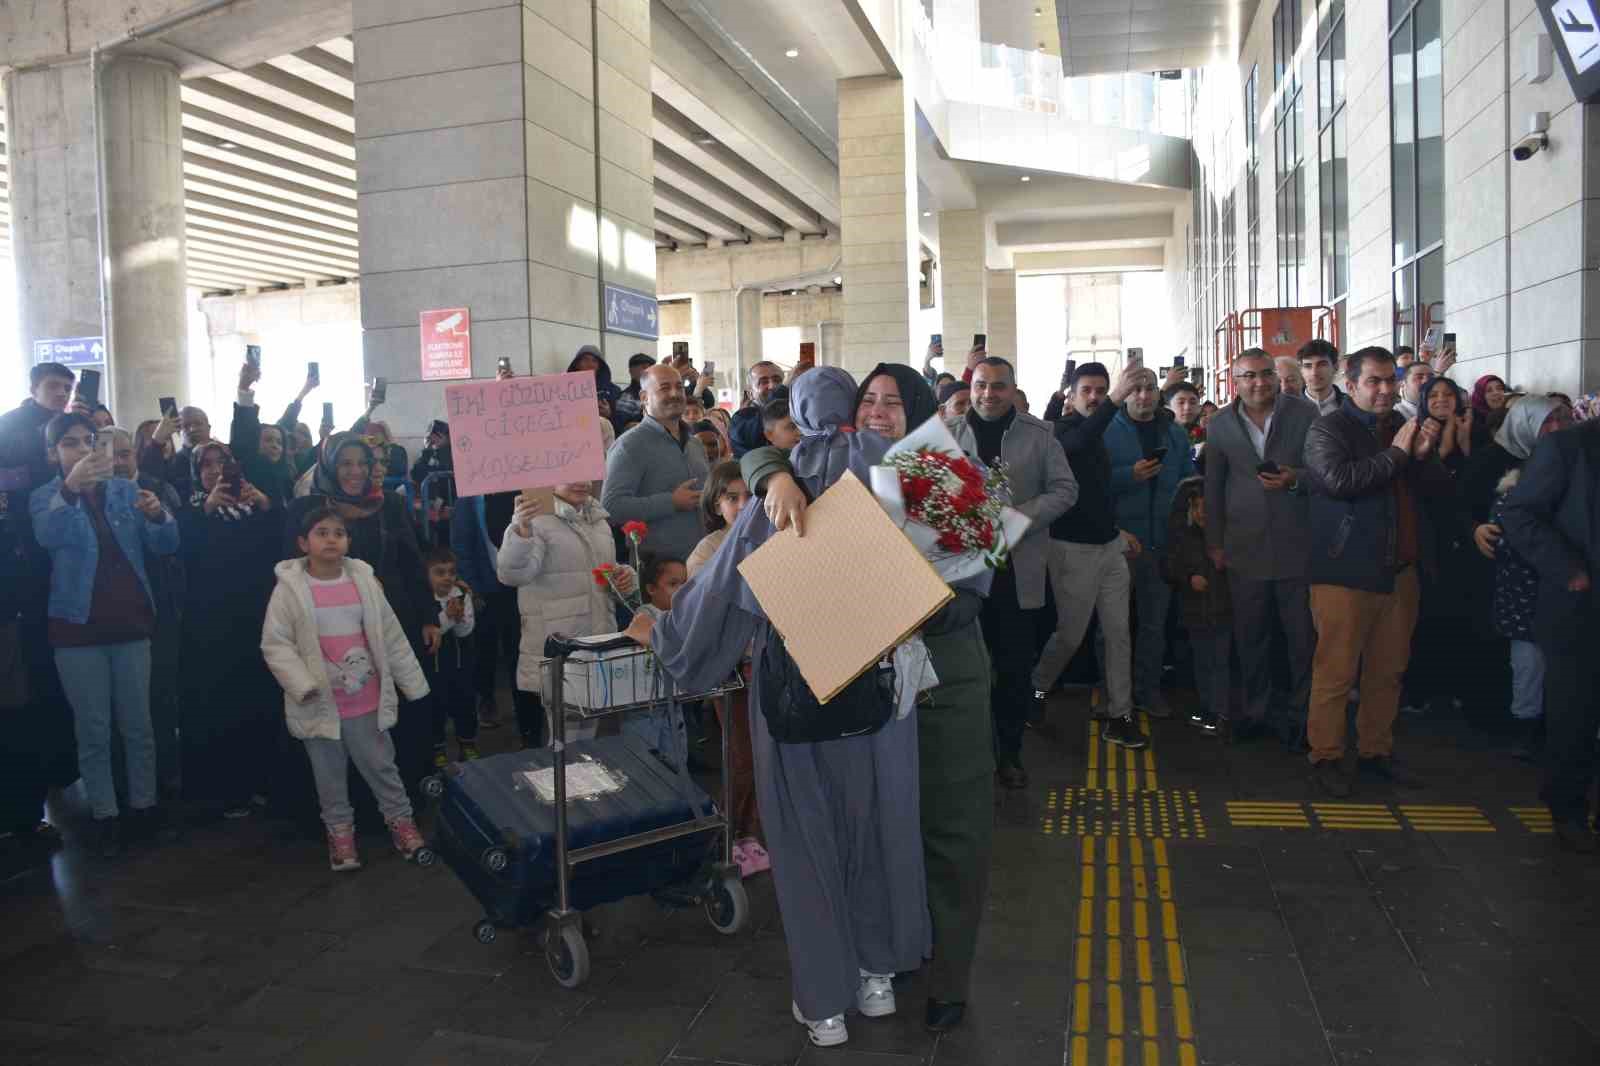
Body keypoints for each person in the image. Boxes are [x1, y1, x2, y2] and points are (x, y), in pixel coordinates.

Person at [660, 365, 931, 1044]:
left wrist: (662, 636)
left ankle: (825, 1003)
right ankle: (876, 978)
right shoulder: (907, 478)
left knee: (808, 846)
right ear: (857, 410)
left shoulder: (775, 495)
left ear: (796, 417)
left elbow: (715, 601)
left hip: (796, 703)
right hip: (882, 698)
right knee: (879, 831)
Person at [1300, 347, 1453, 797]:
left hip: (1400, 571)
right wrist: (1400, 454)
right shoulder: (1328, 428)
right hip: (1345, 572)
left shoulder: (1400, 430)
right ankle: (1325, 755)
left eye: (1391, 380)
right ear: (1351, 386)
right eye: (1374, 381)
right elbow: (1339, 482)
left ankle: (1375, 752)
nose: (1385, 389)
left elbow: (1439, 493)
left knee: (1387, 671)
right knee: (1336, 671)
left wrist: (1422, 456)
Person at [32, 413, 180, 857]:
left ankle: (144, 807)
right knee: (94, 728)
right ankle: (105, 814)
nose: (82, 450)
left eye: (88, 441)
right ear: (53, 453)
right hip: (76, 630)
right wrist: (70, 488)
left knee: (139, 725)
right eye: (71, 443)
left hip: (132, 623)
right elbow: (47, 536)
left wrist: (159, 517)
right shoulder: (45, 497)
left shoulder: (124, 488)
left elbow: (167, 544)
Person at [261, 506, 432, 870]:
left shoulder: (364, 583)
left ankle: (401, 822)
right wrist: (302, 686)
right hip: (319, 704)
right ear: (303, 542)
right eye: (321, 532)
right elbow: (276, 644)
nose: (331, 539)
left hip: (365, 701)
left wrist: (412, 683)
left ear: (348, 541)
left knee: (381, 766)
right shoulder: (290, 591)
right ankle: (340, 835)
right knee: (329, 776)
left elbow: (390, 635)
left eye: (338, 533)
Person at [284, 434, 438, 796]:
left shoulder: (391, 505)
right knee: (348, 713)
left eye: (363, 464)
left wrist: (429, 617)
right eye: (346, 463)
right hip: (333, 630)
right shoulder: (307, 510)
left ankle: (404, 797)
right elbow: (292, 571)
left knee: (394, 711)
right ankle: (352, 808)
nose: (355, 472)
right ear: (330, 466)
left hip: (392, 621)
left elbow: (413, 563)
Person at [955, 357, 1077, 788]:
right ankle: (968, 756)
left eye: (999, 386)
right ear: (971, 387)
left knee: (1012, 670)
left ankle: (1009, 753)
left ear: (1013, 389)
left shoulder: (1040, 435)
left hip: (1015, 571)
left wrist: (1018, 518)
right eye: (982, 385)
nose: (989, 394)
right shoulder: (947, 433)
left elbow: (1066, 490)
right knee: (965, 672)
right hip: (962, 574)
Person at [1032, 362, 1151, 750]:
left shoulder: (1099, 433)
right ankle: (1035, 690)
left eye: (1102, 390)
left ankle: (1120, 714)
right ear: (1071, 395)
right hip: (1071, 550)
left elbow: (1099, 491)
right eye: (1087, 390)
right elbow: (1078, 445)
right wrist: (1116, 399)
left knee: (1119, 634)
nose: (1096, 397)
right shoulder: (1058, 432)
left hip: (1109, 548)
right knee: (1070, 636)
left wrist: (1116, 532)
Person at [1202, 349, 1317, 744]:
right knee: (1251, 639)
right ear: (1236, 381)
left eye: (1266, 374)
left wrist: (1294, 478)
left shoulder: (1304, 415)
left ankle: (1303, 719)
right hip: (1243, 548)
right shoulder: (1219, 424)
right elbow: (1212, 489)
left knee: (1302, 641)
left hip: (1297, 546)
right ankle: (1256, 712)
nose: (1259, 383)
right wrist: (1215, 543)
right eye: (1249, 376)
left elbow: (1322, 472)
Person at [1500, 402, 1600, 850]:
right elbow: (1520, 515)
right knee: (1575, 715)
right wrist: (1569, 570)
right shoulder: (1569, 447)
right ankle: (1568, 810)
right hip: (1580, 605)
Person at [174, 440, 281, 819]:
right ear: (196, 472)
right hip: (212, 626)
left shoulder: (256, 506)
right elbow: (183, 554)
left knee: (259, 697)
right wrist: (206, 512)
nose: (216, 470)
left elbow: (280, 550)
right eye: (206, 464)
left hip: (257, 618)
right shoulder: (189, 510)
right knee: (221, 702)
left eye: (223, 462)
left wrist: (267, 508)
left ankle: (263, 780)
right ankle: (227, 789)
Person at [0, 362, 83, 845]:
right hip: (16, 588)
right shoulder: (11, 428)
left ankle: (44, 788)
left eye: (67, 388)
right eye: (55, 386)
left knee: (34, 695)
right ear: (34, 387)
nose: (62, 393)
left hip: (38, 581)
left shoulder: (72, 427)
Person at [1464, 396, 1571, 756]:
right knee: (1521, 659)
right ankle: (1511, 723)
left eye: (1561, 420)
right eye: (1547, 421)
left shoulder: (1567, 459)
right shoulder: (1492, 461)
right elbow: (1462, 505)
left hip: (1551, 577)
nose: (1556, 429)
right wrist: (1474, 528)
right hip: (1504, 573)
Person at [496, 483, 635, 745]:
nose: (581, 481)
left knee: (585, 732)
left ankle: (575, 782)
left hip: (595, 644)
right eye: (571, 472)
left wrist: (624, 578)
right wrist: (520, 531)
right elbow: (512, 574)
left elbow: (604, 579)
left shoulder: (598, 520)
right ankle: (564, 784)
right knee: (564, 738)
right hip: (559, 648)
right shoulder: (535, 520)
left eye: (586, 472)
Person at [1104, 367, 1197, 719]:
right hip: (1118, 543)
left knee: (1154, 624)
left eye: (1150, 389)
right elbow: (1091, 484)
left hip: (1162, 544)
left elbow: (1187, 481)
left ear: (1159, 393)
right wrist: (1128, 477)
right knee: (1111, 626)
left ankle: (1148, 690)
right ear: (1124, 392)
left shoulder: (1174, 434)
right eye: (1136, 389)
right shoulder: (1108, 431)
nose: (1143, 396)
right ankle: (1111, 692)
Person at [686, 462, 763, 859]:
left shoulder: (773, 536)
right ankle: (730, 836)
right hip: (730, 670)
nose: (743, 504)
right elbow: (714, 607)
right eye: (732, 498)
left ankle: (754, 832)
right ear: (716, 504)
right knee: (742, 757)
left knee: (768, 756)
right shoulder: (707, 551)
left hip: (769, 667)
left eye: (750, 496)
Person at [111, 427, 185, 798]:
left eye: (125, 453)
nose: (118, 462)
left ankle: (164, 778)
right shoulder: (88, 495)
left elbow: (173, 548)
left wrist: (157, 518)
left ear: (136, 455)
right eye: (110, 455)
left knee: (159, 697)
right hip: (113, 617)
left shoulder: (157, 489)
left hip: (159, 609)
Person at [601, 364, 712, 562]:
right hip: (657, 573)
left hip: (702, 563)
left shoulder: (695, 444)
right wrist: (671, 502)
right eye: (664, 388)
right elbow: (611, 508)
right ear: (644, 398)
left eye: (679, 387)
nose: (675, 393)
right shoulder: (629, 446)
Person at [1166, 478, 1229, 732]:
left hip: (1223, 610)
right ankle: (1209, 707)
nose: (1204, 514)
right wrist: (1189, 577)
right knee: (1204, 662)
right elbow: (1170, 565)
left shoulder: (1227, 538)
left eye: (1208, 508)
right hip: (1195, 612)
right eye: (1198, 507)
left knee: (1220, 663)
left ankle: (1220, 710)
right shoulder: (1183, 538)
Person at [422, 545, 478, 766]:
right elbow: (428, 638)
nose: (447, 578)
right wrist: (447, 616)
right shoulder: (423, 599)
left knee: (465, 702)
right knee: (436, 706)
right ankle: (437, 748)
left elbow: (466, 630)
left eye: (451, 572)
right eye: (439, 572)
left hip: (461, 663)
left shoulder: (462, 594)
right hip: (434, 667)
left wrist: (459, 617)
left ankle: (468, 745)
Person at [730, 361, 789, 458]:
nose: (772, 386)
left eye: (777, 380)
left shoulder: (796, 413)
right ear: (750, 393)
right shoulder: (742, 419)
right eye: (764, 382)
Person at [1298, 338, 1345, 416]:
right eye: (1308, 366)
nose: (1314, 373)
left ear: (1336, 367)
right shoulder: (1288, 409)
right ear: (1301, 370)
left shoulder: (1352, 406)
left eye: (1322, 364)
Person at [1470, 374, 1512, 450]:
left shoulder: (1512, 414)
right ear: (1480, 396)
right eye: (1489, 390)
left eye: (1499, 388)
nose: (1496, 393)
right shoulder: (1473, 421)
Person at [615, 352, 655, 427]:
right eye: (644, 367)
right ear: (631, 371)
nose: (648, 371)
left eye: (651, 368)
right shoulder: (627, 396)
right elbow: (625, 425)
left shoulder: (656, 392)